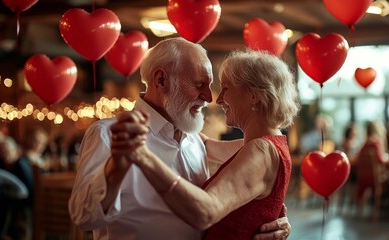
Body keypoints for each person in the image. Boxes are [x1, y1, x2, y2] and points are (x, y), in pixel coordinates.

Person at [68, 38, 291, 240]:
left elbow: (260, 163)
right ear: (161, 79)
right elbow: (84, 217)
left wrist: (268, 215)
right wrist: (114, 169)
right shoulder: (107, 134)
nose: (209, 97)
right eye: (199, 85)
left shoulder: (195, 140)